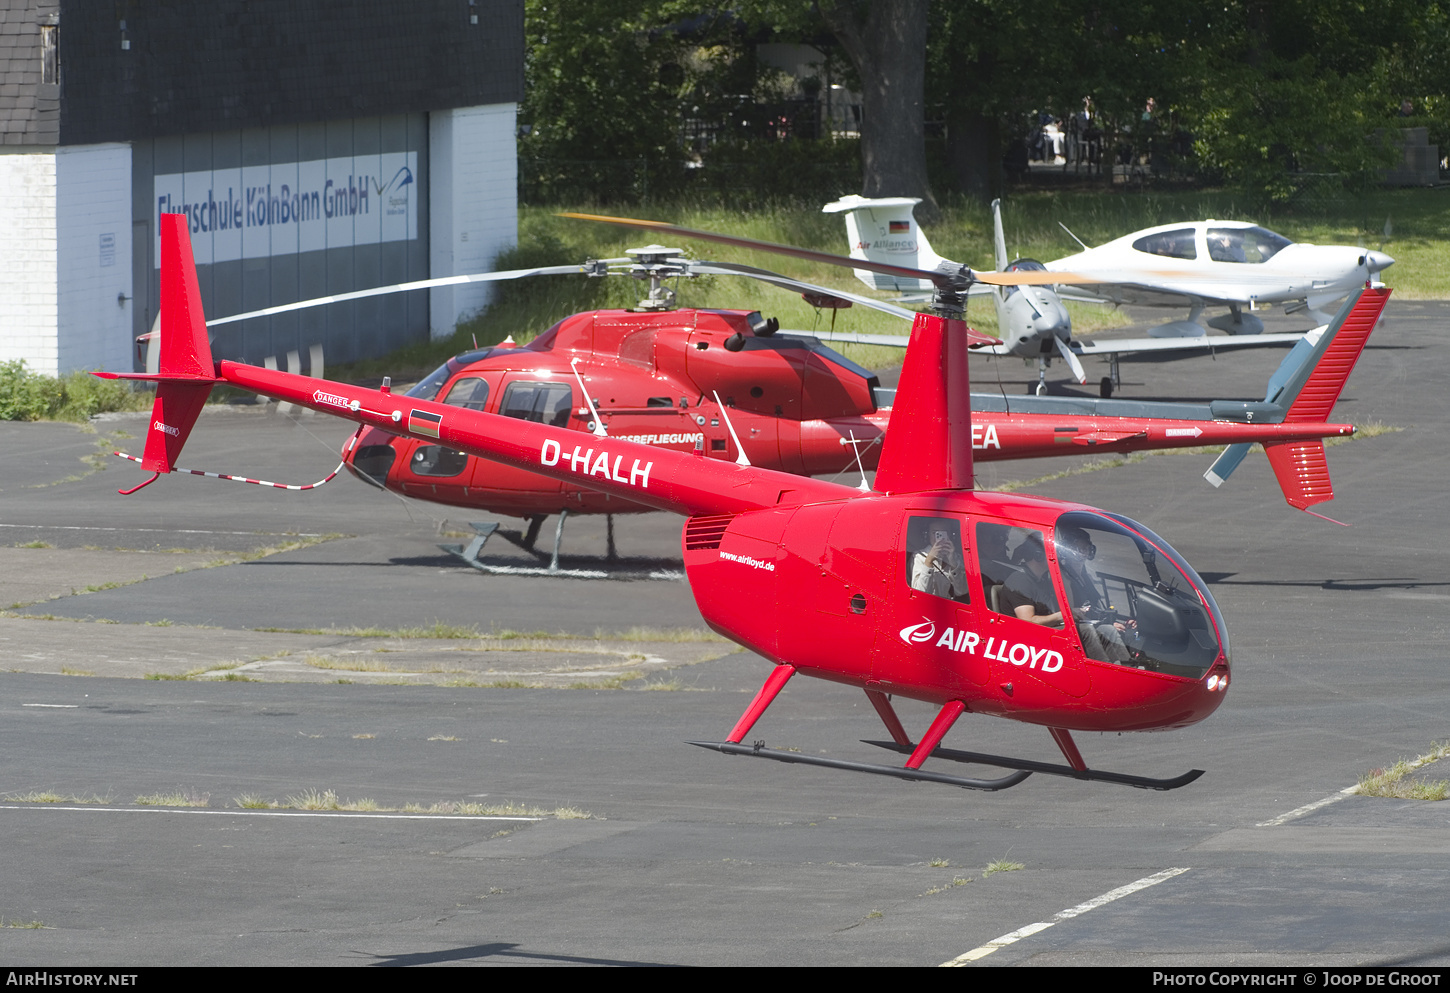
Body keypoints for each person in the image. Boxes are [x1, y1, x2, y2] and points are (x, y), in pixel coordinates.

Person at [1056, 526, 1135, 663]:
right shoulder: (1064, 577)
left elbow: (1094, 607)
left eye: (1085, 548)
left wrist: (1117, 622)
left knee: (1110, 629)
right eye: (1078, 548)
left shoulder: (1085, 576)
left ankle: (1129, 667)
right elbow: (1072, 613)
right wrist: (1104, 622)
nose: (1083, 553)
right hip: (1076, 628)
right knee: (1107, 629)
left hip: (1090, 623)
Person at [999, 533, 1063, 627]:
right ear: (1038, 555)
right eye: (1053, 553)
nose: (1057, 558)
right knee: (1085, 630)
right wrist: (1061, 616)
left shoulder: (1041, 580)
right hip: (1026, 636)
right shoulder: (1019, 581)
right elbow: (1028, 621)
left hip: (1047, 630)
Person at [910, 530, 968, 601]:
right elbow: (919, 594)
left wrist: (953, 562)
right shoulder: (919, 557)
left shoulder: (956, 557)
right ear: (928, 535)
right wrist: (929, 561)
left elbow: (962, 591)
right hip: (928, 607)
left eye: (944, 533)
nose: (939, 538)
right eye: (934, 533)